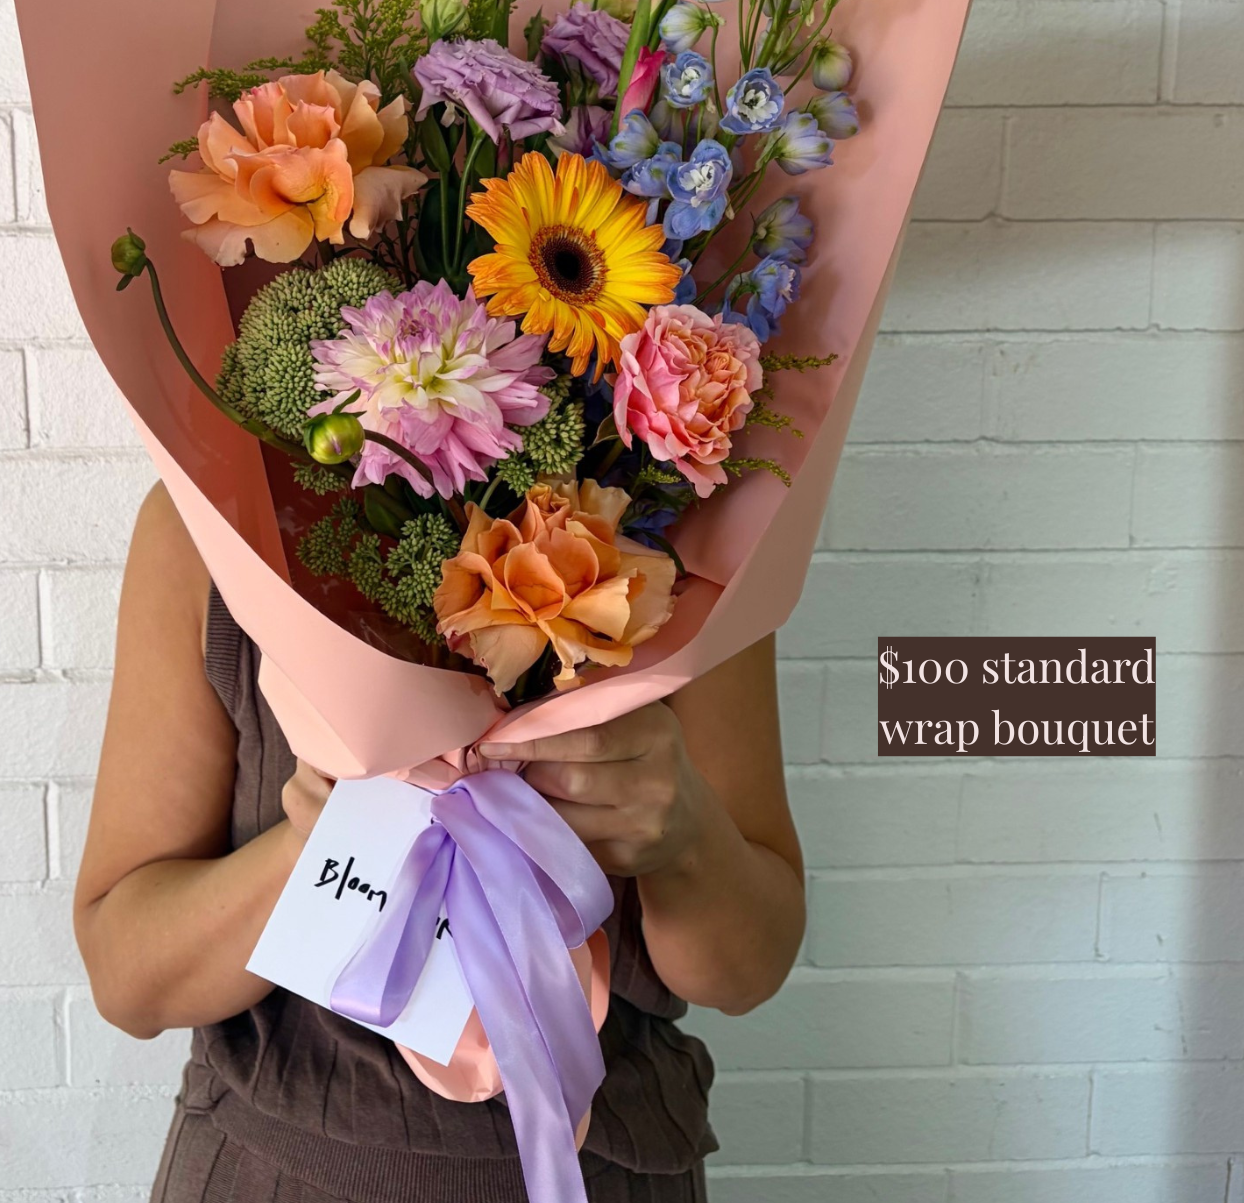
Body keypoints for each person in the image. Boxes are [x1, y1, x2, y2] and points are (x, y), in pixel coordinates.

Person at [75, 483, 807, 1203]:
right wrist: (326, 838)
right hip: (274, 1168)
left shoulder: (691, 529)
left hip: (606, 1168)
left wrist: (684, 840)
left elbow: (748, 974)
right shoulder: (210, 523)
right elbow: (129, 980)